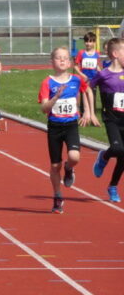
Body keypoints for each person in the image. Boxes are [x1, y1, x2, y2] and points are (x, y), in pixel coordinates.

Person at [38, 46, 95, 214]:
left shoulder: (77, 79)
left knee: (74, 156)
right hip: (54, 127)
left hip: (70, 125)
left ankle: (69, 169)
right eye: (58, 57)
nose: (62, 60)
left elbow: (87, 91)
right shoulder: (47, 82)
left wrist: (88, 112)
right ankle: (57, 195)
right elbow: (44, 109)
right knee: (55, 166)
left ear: (70, 63)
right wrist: (56, 97)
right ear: (52, 62)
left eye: (65, 58)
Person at [90, 38, 124, 203]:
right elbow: (88, 88)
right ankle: (104, 156)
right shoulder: (103, 75)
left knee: (123, 156)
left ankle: (112, 186)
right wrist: (89, 112)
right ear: (116, 54)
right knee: (118, 149)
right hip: (111, 119)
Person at [75, 31, 102, 115]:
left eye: (90, 41)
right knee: (84, 96)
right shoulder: (81, 53)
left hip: (93, 79)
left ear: (94, 42)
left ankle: (92, 114)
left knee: (92, 96)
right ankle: (83, 114)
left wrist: (100, 73)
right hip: (84, 79)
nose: (88, 43)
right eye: (86, 41)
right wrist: (82, 75)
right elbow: (75, 66)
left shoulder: (97, 54)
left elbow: (97, 66)